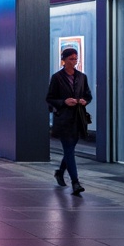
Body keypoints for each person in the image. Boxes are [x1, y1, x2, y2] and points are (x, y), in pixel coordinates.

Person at [46, 47, 90, 194]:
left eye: (76, 59)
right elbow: (50, 98)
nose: (74, 61)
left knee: (70, 150)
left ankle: (59, 172)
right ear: (64, 60)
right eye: (71, 59)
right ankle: (75, 182)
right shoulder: (57, 77)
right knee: (69, 149)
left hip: (78, 118)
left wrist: (84, 100)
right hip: (64, 119)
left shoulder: (82, 77)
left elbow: (88, 95)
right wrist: (64, 102)